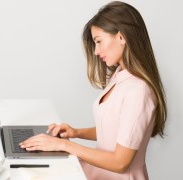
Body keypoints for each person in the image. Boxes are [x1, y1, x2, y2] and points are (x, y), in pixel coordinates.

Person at [19, 1, 167, 179]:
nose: (96, 51)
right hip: (97, 172)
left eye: (99, 41)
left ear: (122, 37)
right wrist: (76, 132)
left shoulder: (139, 91)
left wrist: (65, 146)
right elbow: (114, 130)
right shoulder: (119, 75)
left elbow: (120, 163)